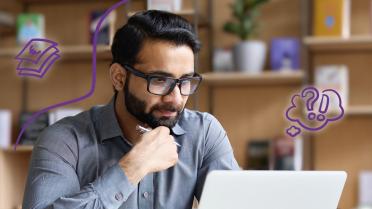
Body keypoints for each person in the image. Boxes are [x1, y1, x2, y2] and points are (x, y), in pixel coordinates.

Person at [22, 10, 239, 209]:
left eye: (186, 81)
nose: (175, 98)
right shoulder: (63, 141)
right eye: (160, 80)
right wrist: (132, 167)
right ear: (119, 78)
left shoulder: (204, 133)